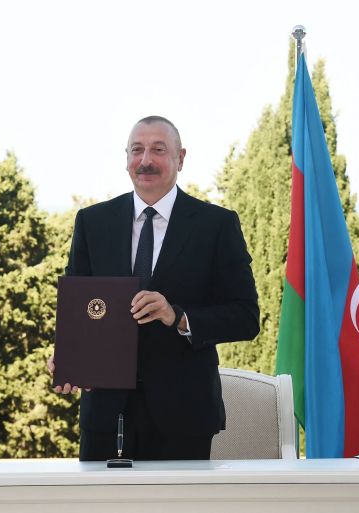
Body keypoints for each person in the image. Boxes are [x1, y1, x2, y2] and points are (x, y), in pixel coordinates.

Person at [48, 116, 259, 461]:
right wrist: (70, 356)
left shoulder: (216, 225)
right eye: (137, 150)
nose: (145, 160)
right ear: (126, 158)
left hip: (184, 418)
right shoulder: (92, 222)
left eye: (158, 150)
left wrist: (177, 317)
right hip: (105, 417)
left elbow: (246, 317)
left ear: (180, 158)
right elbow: (79, 307)